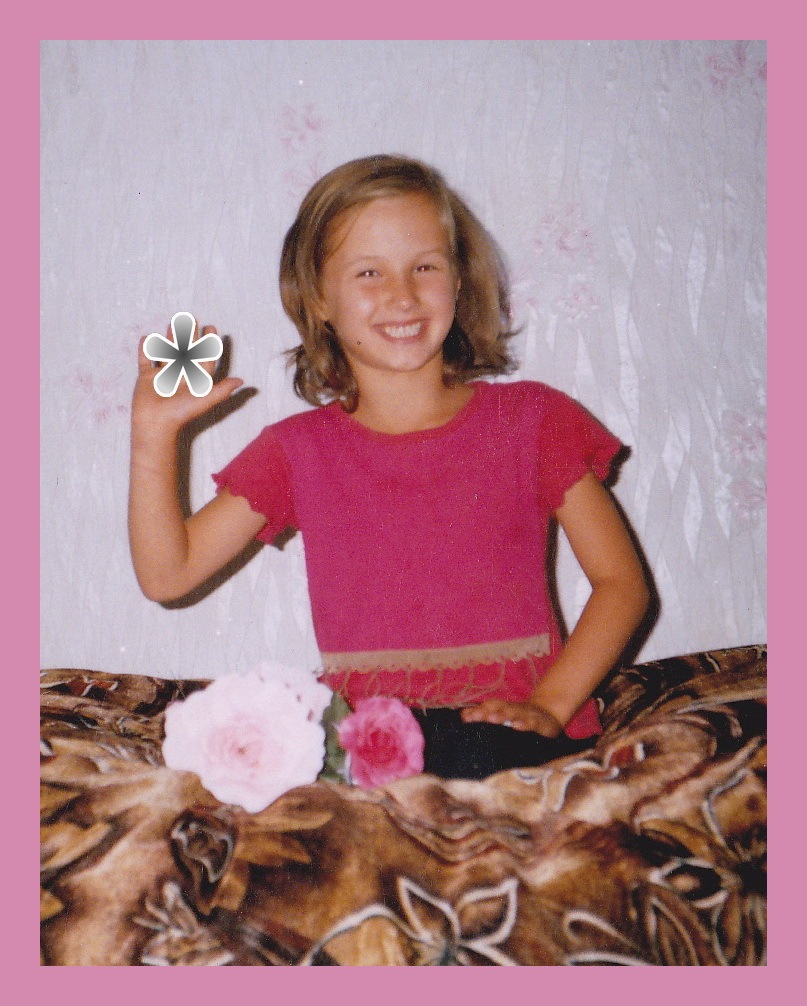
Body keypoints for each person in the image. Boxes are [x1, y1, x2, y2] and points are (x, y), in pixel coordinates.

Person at [129, 154, 650, 780]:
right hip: (369, 747)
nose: (401, 295)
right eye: (369, 272)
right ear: (319, 300)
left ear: (459, 281)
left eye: (424, 266)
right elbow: (169, 574)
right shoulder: (298, 451)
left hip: (513, 739)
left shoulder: (534, 422)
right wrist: (153, 438)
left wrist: (550, 705)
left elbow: (622, 584)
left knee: (475, 755)